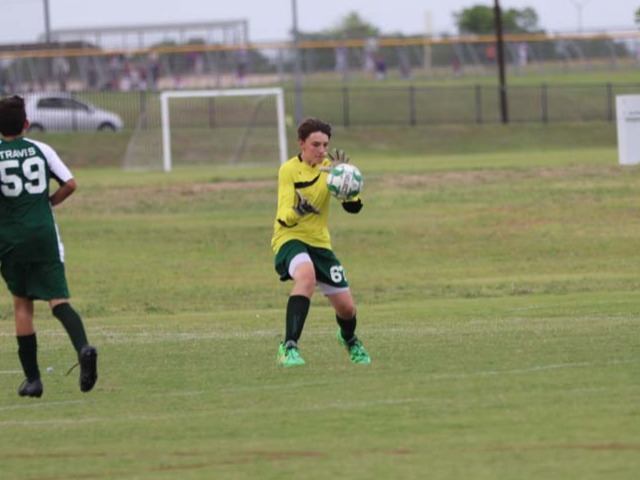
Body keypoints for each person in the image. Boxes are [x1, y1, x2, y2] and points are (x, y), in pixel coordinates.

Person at [0, 95, 98, 398]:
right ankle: (83, 348)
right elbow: (70, 183)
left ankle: (33, 380)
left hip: (11, 239)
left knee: (22, 305)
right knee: (58, 300)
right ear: (26, 124)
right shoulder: (41, 150)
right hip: (44, 235)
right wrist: (50, 202)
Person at [271, 117, 371, 367]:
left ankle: (349, 339)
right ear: (301, 143)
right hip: (289, 238)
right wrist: (299, 211)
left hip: (320, 244)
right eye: (316, 144)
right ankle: (288, 347)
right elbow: (283, 216)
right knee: (306, 277)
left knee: (347, 309)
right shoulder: (288, 170)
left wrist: (347, 184)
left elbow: (353, 208)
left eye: (325, 145)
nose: (322, 150)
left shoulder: (331, 170)